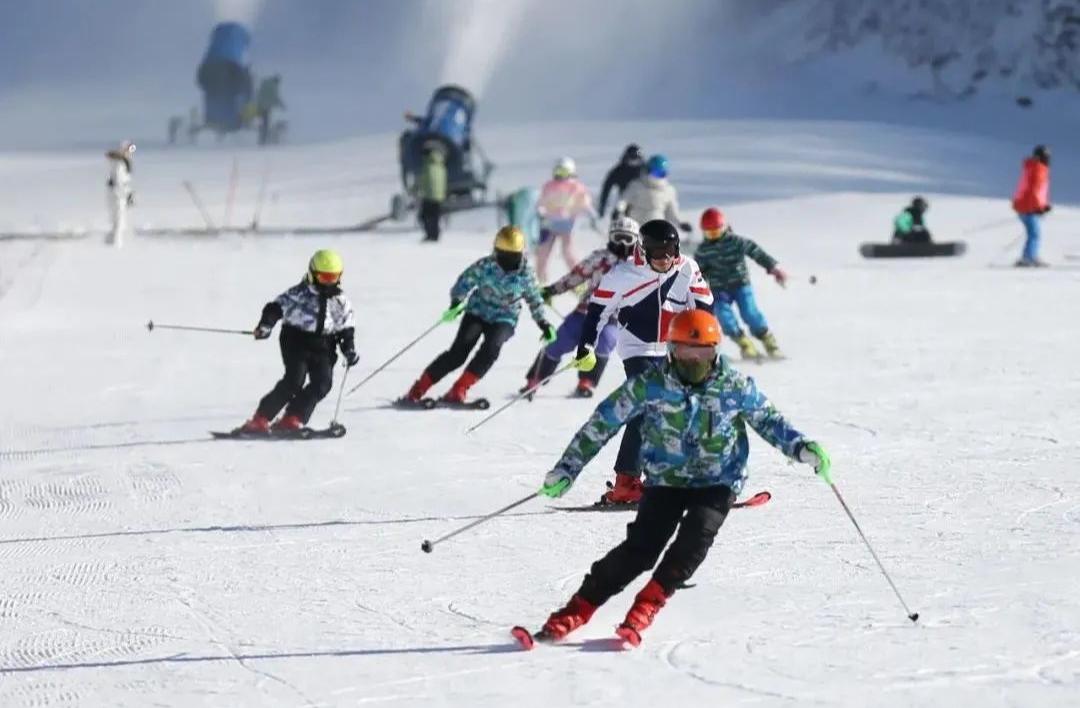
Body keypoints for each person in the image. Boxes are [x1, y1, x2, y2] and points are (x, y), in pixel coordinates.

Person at [528, 309, 831, 647]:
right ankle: (576, 610)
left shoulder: (734, 387)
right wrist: (567, 469)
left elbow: (770, 421)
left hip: (718, 480)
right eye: (687, 351)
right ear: (672, 350)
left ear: (715, 351)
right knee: (640, 550)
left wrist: (802, 448)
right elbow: (602, 423)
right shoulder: (650, 385)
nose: (695, 360)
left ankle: (646, 605)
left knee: (695, 539)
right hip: (666, 480)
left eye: (703, 353)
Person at [577, 219, 713, 505]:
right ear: (643, 249)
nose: (664, 259)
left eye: (670, 251)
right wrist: (586, 346)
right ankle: (626, 483)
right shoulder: (623, 274)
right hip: (637, 348)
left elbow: (704, 307)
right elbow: (597, 311)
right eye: (657, 253)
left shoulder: (687, 268)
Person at [402, 226, 555, 405]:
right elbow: (464, 282)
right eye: (501, 254)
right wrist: (457, 302)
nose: (505, 261)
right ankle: (418, 388)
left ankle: (459, 389)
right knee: (458, 353)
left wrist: (543, 323)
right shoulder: (486, 266)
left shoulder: (526, 274)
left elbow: (534, 299)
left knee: (491, 349)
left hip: (504, 318)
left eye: (511, 256)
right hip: (477, 312)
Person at [236, 250, 358, 434]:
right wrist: (266, 325)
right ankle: (260, 419)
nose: (328, 283)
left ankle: (292, 418)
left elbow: (345, 327)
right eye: (324, 278)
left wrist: (348, 349)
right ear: (313, 274)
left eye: (333, 278)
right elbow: (275, 308)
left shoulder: (340, 300)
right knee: (294, 380)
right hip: (296, 341)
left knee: (322, 384)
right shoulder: (299, 293)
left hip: (324, 346)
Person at [523, 216, 641, 398]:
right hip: (586, 311)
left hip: (613, 317)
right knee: (560, 340)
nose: (623, 244)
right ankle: (534, 380)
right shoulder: (600, 258)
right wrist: (552, 290)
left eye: (628, 239)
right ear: (611, 237)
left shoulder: (639, 266)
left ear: (635, 241)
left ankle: (587, 382)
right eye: (619, 238)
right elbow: (576, 276)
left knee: (605, 342)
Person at [693, 207, 787, 361]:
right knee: (724, 316)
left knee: (750, 313)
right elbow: (698, 272)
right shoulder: (703, 250)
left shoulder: (736, 242)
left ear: (724, 227)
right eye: (710, 234)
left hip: (741, 285)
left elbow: (757, 253)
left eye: (716, 232)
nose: (714, 237)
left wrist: (773, 268)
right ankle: (745, 344)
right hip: (719, 289)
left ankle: (770, 343)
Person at [535, 157, 597, 282]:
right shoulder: (549, 186)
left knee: (568, 252)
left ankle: (579, 279)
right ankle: (541, 280)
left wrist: (590, 212)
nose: (560, 175)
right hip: (549, 224)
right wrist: (541, 211)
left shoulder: (576, 187)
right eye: (558, 171)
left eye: (563, 172)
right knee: (543, 253)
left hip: (567, 224)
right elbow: (541, 202)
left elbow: (584, 202)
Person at [617, 154, 692, 234]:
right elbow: (624, 200)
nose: (657, 177)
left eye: (661, 174)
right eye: (655, 173)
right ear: (648, 171)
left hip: (657, 229)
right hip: (636, 227)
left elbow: (672, 212)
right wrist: (618, 210)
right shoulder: (637, 186)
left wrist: (680, 223)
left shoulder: (669, 190)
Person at [1012, 144, 1052, 267]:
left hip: (1025, 206)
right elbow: (1033, 191)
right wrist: (1037, 208)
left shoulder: (1033, 168)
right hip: (1029, 207)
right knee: (1034, 234)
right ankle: (1029, 257)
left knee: (1033, 233)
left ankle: (1028, 256)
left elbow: (1036, 191)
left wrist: (1043, 205)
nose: (1047, 159)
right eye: (1046, 157)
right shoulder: (1038, 169)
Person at [597, 144, 645, 218]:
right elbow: (606, 188)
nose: (634, 163)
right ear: (627, 158)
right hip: (625, 202)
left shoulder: (645, 170)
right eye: (632, 160)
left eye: (636, 160)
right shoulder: (619, 171)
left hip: (645, 203)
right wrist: (602, 206)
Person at [105, 141, 135, 247]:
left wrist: (129, 194)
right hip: (117, 195)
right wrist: (125, 195)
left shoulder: (122, 162)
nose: (130, 152)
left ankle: (110, 242)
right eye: (129, 149)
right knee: (119, 222)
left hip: (117, 194)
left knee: (117, 221)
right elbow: (119, 181)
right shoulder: (119, 163)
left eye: (132, 149)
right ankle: (116, 245)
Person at [417, 142, 448, 242]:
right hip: (439, 195)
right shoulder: (440, 164)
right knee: (435, 216)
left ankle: (430, 235)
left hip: (429, 194)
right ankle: (435, 235)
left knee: (425, 215)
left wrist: (417, 190)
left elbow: (424, 180)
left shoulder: (428, 165)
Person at [254, 75, 285, 146]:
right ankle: (263, 140)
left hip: (259, 106)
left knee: (262, 123)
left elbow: (259, 93)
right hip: (266, 107)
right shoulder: (273, 86)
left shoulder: (265, 83)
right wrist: (281, 105)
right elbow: (275, 97)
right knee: (266, 123)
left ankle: (262, 139)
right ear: (277, 81)